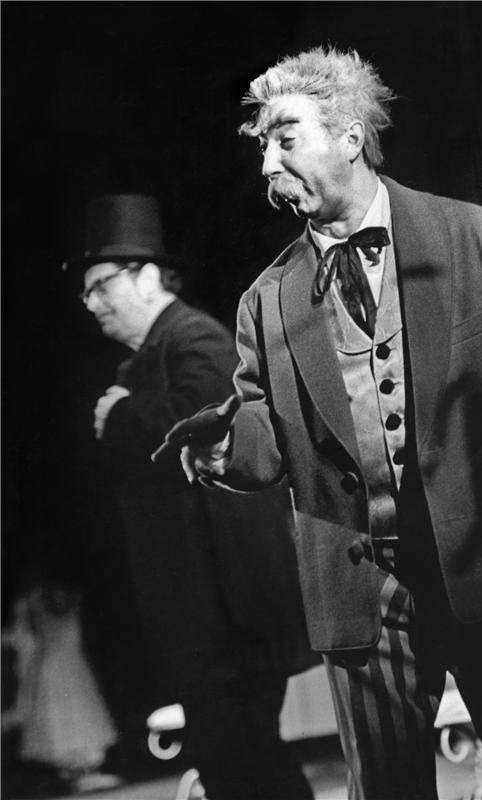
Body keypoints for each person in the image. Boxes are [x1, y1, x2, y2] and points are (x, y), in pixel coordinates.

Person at [155, 47, 482, 800]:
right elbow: (269, 434)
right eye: (262, 148)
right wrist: (225, 449)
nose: (267, 165)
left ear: (349, 136)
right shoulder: (266, 300)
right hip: (364, 593)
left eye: (284, 139)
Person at [65, 194, 315, 800]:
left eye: (102, 285)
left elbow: (202, 425)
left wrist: (121, 417)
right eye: (87, 291)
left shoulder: (193, 336)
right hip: (202, 617)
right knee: (238, 763)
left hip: (229, 616)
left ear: (149, 277)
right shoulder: (147, 360)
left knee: (246, 760)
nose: (91, 302)